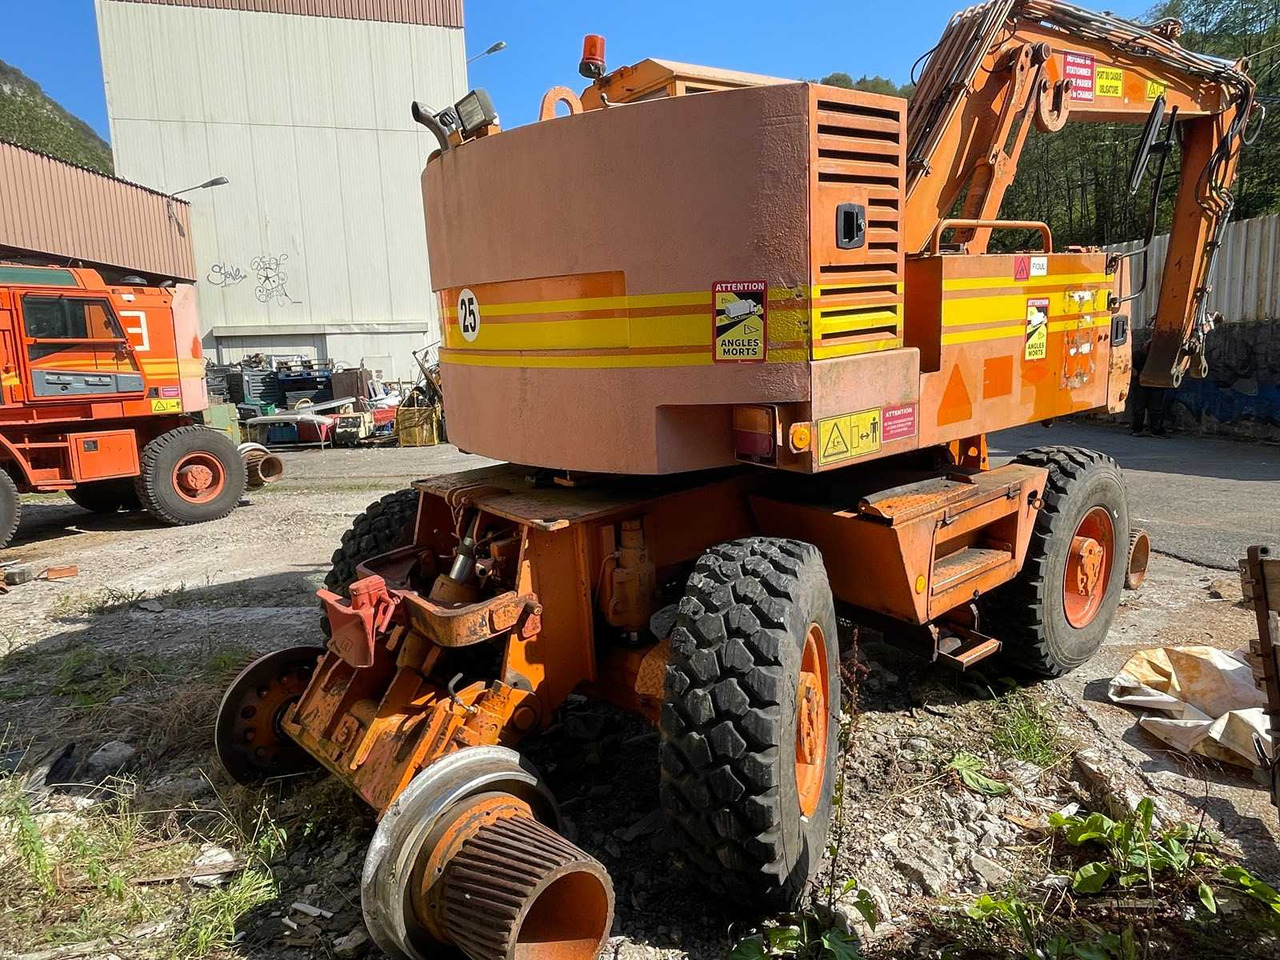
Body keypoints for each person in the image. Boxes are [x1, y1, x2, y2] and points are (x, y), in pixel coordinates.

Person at [1129, 344, 1168, 437]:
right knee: (1146, 408)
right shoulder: (1140, 356)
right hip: (1146, 382)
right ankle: (1147, 429)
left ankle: (1142, 429)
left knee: (1148, 407)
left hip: (1151, 382)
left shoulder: (1158, 357)